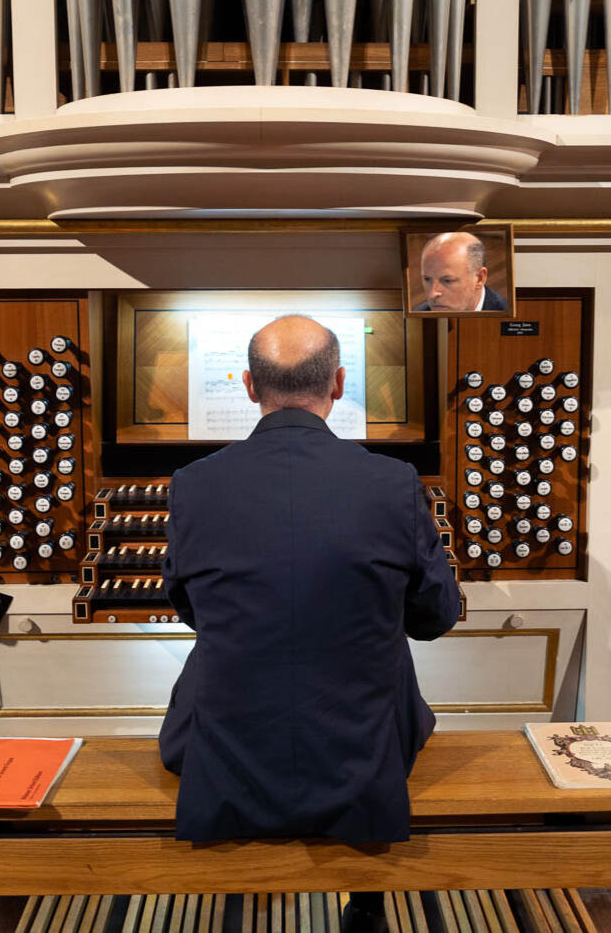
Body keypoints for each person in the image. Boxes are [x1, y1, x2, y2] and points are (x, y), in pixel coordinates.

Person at [159, 315, 459, 932]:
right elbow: (433, 618)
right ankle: (367, 896)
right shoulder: (394, 482)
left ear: (247, 386)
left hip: (228, 744)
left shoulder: (192, 484)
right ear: (341, 383)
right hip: (364, 748)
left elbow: (191, 610)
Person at [413, 231, 507, 312]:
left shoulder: (512, 315)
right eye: (427, 279)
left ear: (479, 279)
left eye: (447, 281)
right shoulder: (414, 319)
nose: (432, 294)